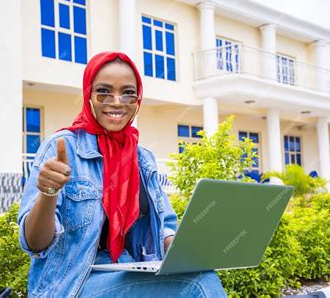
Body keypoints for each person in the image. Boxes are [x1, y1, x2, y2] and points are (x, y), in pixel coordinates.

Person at [18, 51, 227, 297]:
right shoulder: (62, 147)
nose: (117, 102)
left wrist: (190, 253)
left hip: (125, 268)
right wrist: (48, 193)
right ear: (89, 96)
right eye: (104, 91)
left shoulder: (142, 158)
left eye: (128, 93)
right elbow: (34, 244)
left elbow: (165, 230)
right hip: (70, 282)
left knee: (199, 274)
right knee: (197, 284)